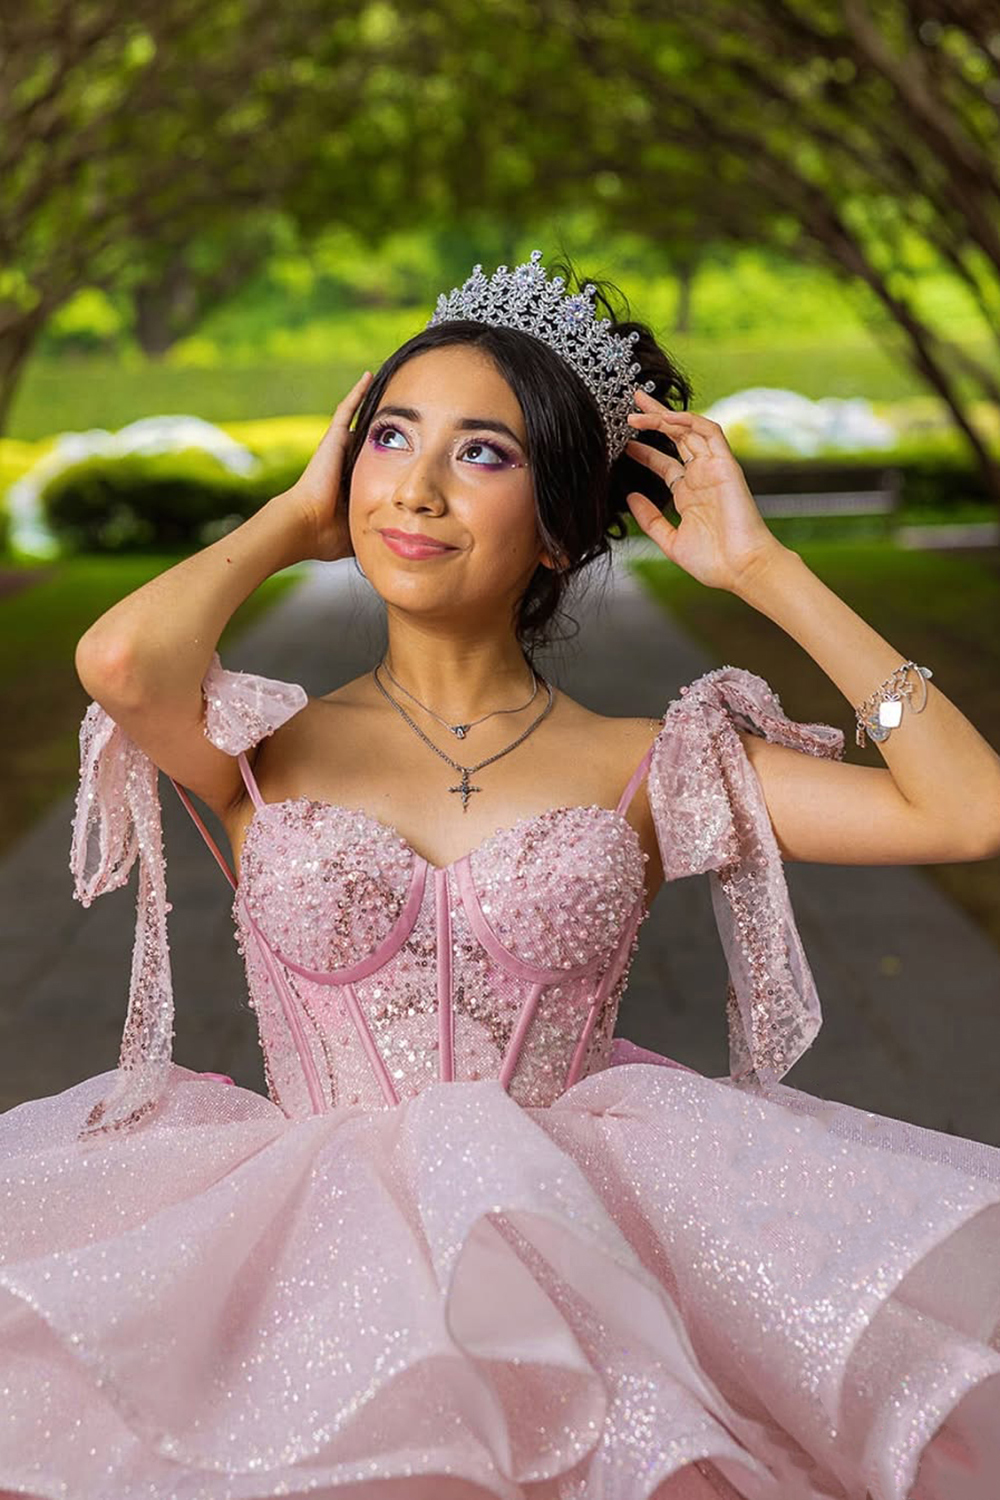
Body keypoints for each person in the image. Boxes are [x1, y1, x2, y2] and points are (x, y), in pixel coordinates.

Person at [1, 250, 998, 1499]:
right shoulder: (257, 749)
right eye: (389, 438)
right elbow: (120, 662)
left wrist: (765, 573)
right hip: (303, 1264)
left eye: (482, 454)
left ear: (559, 527)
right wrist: (296, 519)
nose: (413, 488)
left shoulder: (650, 766)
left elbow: (967, 809)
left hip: (580, 1268)